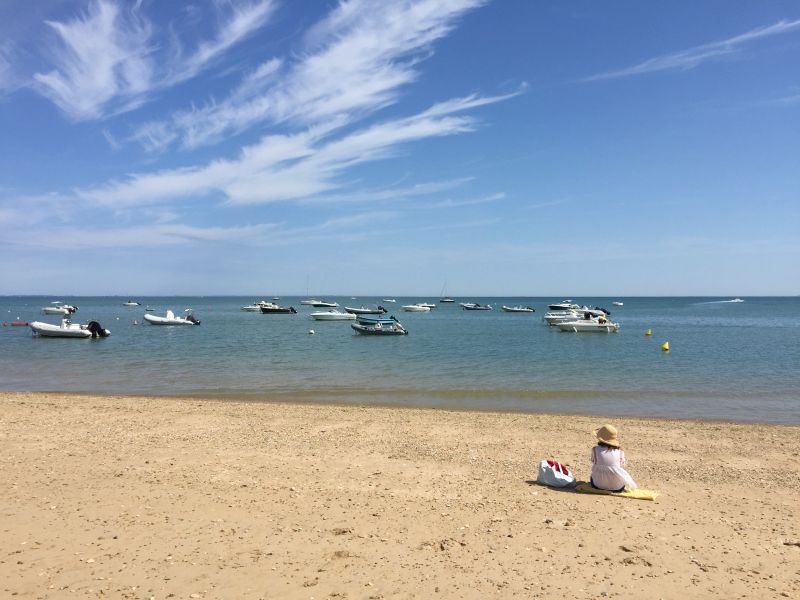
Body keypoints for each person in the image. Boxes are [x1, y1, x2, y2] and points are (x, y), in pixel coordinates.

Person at [590, 424, 637, 491]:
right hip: (617, 488)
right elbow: (621, 465)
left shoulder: (595, 450)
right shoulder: (620, 452)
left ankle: (602, 482)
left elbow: (593, 461)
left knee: (593, 475)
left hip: (598, 485)